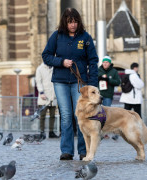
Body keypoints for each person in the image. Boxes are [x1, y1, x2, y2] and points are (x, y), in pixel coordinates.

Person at [42, 8, 98, 160]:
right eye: (70, 22)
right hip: (60, 81)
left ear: (79, 22)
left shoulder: (85, 37)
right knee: (66, 116)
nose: (73, 25)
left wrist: (93, 85)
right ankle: (66, 151)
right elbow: (46, 56)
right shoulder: (57, 36)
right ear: (65, 23)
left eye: (75, 22)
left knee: (80, 115)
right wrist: (61, 62)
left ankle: (83, 151)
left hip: (79, 82)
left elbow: (93, 61)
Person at [98, 56, 121, 140]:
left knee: (106, 114)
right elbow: (92, 79)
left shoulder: (114, 71)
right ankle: (98, 131)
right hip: (98, 96)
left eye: (106, 62)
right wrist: (99, 78)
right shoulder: (98, 70)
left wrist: (108, 79)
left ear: (110, 63)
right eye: (104, 62)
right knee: (98, 113)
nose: (105, 64)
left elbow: (118, 82)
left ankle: (105, 132)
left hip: (108, 95)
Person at [35, 62, 59, 138]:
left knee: (53, 115)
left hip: (53, 95)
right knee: (42, 116)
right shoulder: (40, 69)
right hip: (44, 96)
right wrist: (41, 92)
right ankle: (42, 132)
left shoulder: (54, 68)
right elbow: (38, 82)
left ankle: (51, 132)